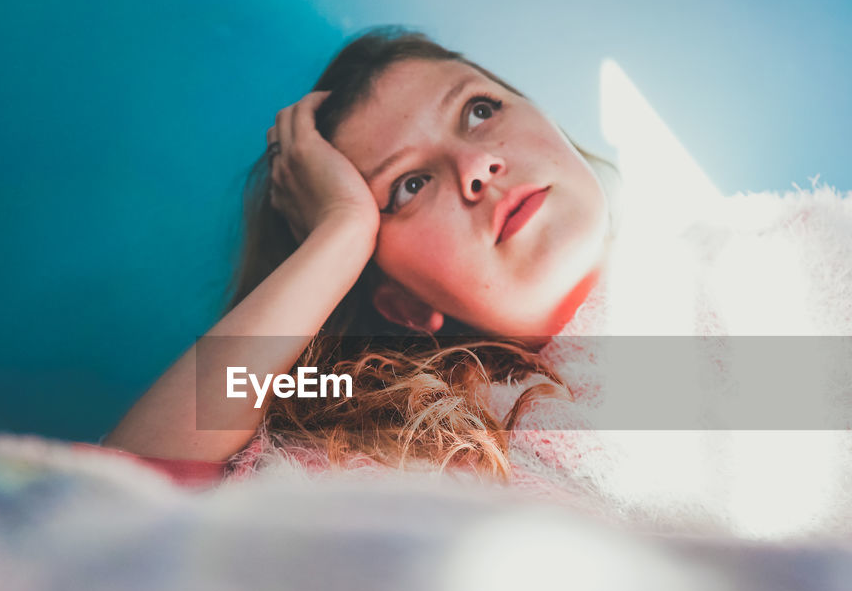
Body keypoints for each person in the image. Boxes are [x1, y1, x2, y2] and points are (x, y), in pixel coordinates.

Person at [97, 27, 618, 486]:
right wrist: (342, 232)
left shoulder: (694, 276)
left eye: (479, 110)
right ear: (405, 307)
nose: (477, 165)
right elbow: (106, 501)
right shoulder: (384, 447)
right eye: (410, 186)